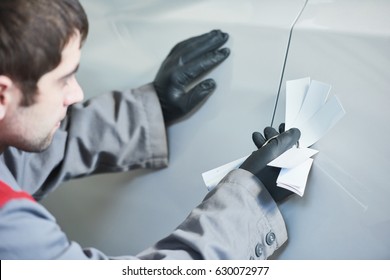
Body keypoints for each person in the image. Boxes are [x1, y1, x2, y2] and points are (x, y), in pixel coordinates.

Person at [0, 0, 300, 259]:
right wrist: (246, 204)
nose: (76, 94)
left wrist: (147, 110)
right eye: (63, 80)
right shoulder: (9, 228)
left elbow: (15, 161)